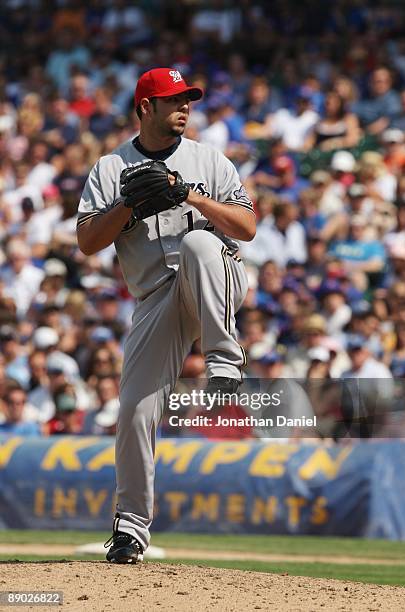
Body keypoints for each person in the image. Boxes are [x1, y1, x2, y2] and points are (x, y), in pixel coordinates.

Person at [76, 67, 255, 563]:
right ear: (144, 107)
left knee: (199, 241)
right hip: (157, 298)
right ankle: (131, 528)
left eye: (187, 99)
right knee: (133, 411)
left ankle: (223, 361)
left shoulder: (208, 159)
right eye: (172, 99)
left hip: (217, 279)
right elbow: (88, 242)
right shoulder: (112, 168)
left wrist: (188, 194)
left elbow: (247, 226)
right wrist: (129, 208)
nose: (184, 107)